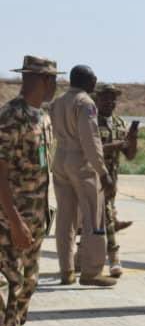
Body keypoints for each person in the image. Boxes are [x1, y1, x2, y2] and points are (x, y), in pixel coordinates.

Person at [0, 56, 61, 326]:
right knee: (11, 282)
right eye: (53, 79)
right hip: (10, 219)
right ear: (43, 80)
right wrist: (14, 220)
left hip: (36, 217)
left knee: (28, 283)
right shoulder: (11, 117)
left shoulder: (43, 117)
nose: (55, 85)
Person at [51, 64, 116, 287]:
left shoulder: (58, 102)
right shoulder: (86, 103)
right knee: (93, 217)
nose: (96, 81)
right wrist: (103, 172)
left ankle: (66, 270)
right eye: (93, 78)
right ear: (86, 81)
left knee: (65, 217)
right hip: (81, 161)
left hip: (60, 158)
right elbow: (90, 140)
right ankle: (91, 271)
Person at [95, 84, 138, 277]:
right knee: (106, 216)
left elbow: (130, 155)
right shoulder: (90, 122)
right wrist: (118, 145)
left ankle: (80, 256)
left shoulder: (120, 124)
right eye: (105, 98)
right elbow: (92, 149)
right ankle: (114, 258)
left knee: (98, 218)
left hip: (112, 179)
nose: (110, 102)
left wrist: (133, 138)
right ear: (97, 99)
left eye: (113, 99)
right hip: (94, 176)